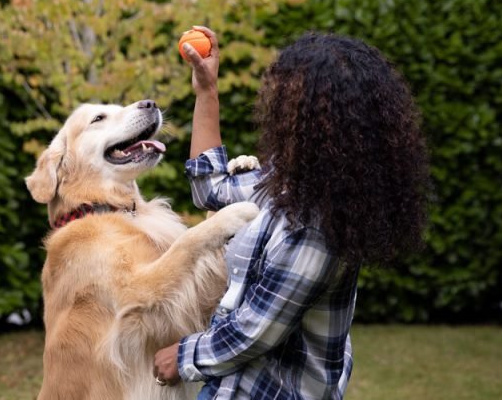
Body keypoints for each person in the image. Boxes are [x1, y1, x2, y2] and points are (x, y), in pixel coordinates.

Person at [153, 27, 430, 400]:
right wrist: (207, 91)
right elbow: (211, 190)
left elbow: (256, 330)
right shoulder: (286, 182)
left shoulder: (318, 229)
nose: (273, 105)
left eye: (286, 98)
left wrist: (184, 356)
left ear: (315, 121)